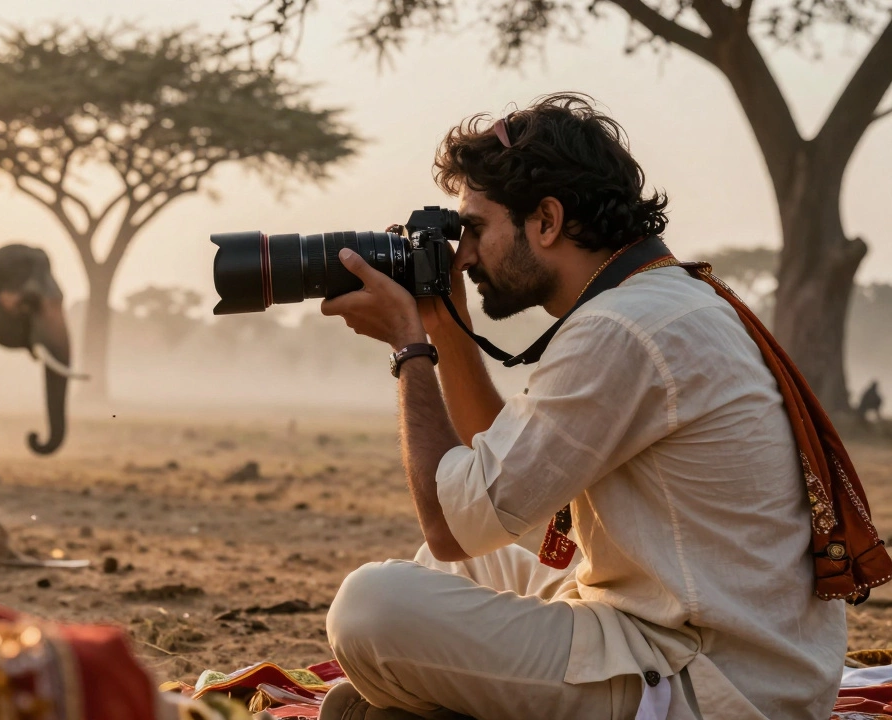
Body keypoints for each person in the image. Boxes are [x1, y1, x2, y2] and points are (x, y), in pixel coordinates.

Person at [315, 94, 855, 720]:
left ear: (546, 220)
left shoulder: (621, 329)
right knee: (453, 565)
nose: (463, 255)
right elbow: (499, 491)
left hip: (708, 680)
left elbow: (447, 517)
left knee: (371, 609)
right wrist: (449, 326)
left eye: (477, 229)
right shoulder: (654, 300)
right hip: (696, 633)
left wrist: (409, 349)